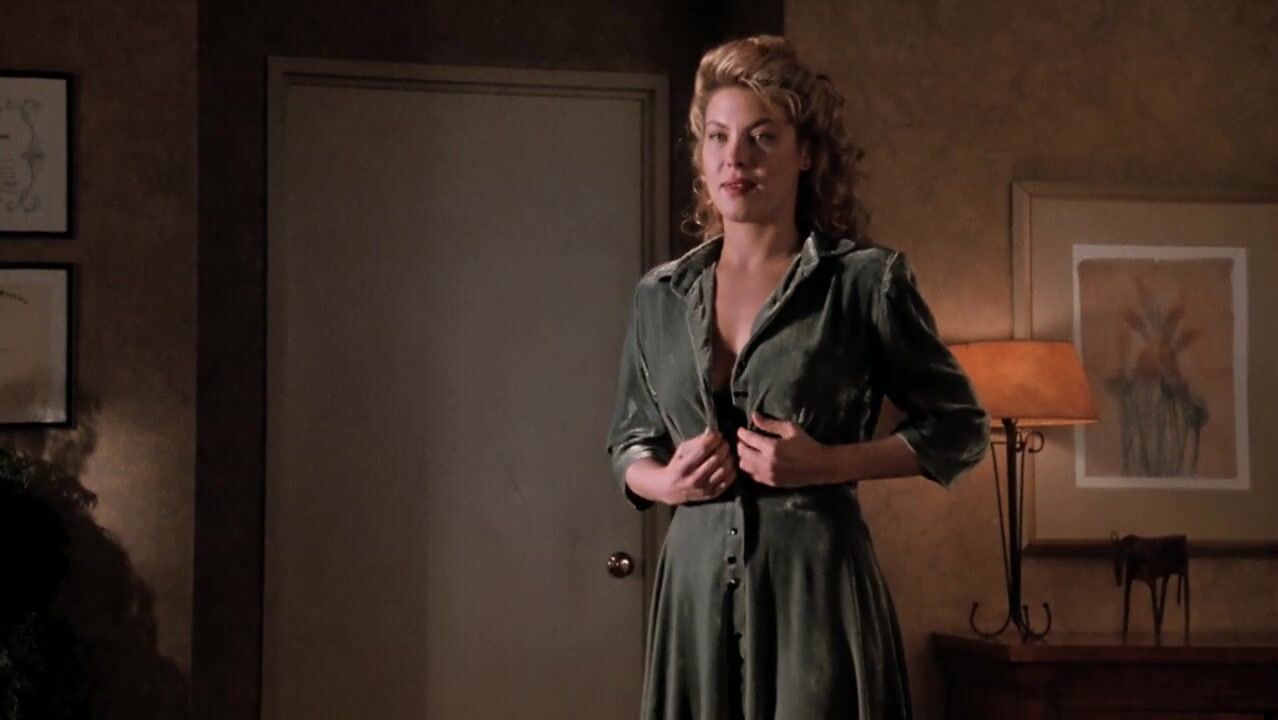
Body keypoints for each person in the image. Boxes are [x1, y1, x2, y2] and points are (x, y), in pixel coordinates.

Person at [605, 35, 989, 720]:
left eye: (762, 137)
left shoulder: (865, 282)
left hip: (817, 587)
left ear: (805, 152)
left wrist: (828, 464)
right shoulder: (659, 295)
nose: (736, 158)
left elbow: (960, 429)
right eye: (718, 137)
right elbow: (630, 441)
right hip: (693, 589)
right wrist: (665, 483)